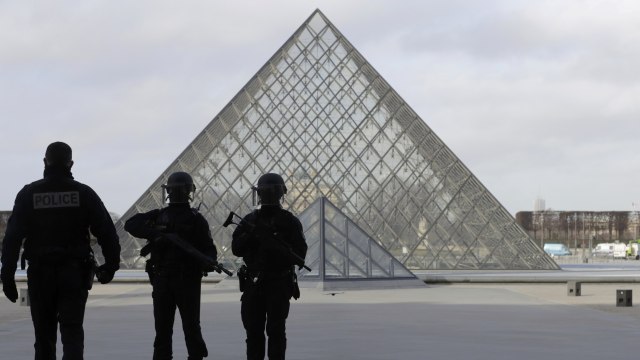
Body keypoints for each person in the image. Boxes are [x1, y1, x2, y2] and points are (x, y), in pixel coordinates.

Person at [0, 141, 121, 359]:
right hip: (74, 273)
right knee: (72, 334)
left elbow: (12, 238)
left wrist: (7, 275)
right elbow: (107, 232)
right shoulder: (84, 193)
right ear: (70, 163)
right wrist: (111, 265)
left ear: (45, 162)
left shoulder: (29, 193)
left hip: (40, 274)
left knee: (44, 337)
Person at [124, 171, 218, 360]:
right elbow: (209, 249)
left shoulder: (160, 217)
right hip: (186, 281)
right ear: (189, 190)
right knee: (191, 327)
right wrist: (157, 235)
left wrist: (153, 228)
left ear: (168, 191)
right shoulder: (195, 219)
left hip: (163, 280)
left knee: (163, 330)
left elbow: (131, 224)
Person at [232, 173, 308, 360]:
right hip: (276, 282)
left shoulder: (250, 219)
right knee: (275, 333)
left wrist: (275, 247)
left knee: (255, 334)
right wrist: (254, 236)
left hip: (259, 283)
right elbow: (301, 253)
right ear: (282, 192)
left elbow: (236, 249)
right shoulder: (289, 221)